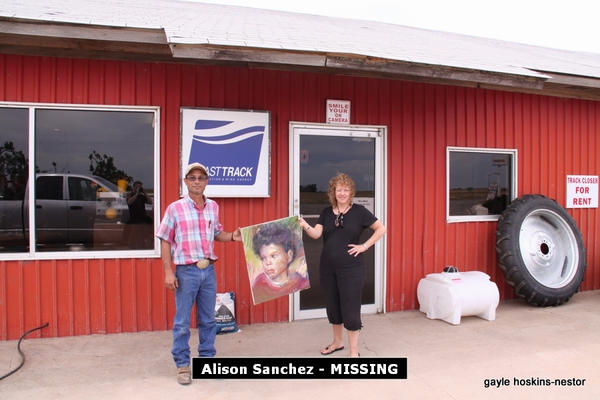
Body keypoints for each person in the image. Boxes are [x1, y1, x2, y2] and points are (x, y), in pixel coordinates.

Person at [156, 162, 241, 385]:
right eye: (192, 178)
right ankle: (183, 364)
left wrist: (232, 236)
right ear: (185, 182)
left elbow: (217, 234)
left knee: (208, 319)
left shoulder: (213, 207)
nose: (196, 181)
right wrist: (168, 271)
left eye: (200, 178)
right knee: (182, 322)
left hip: (208, 270)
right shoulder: (175, 208)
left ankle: (207, 361)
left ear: (206, 182)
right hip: (185, 272)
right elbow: (165, 239)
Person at [299, 172, 386, 358]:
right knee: (333, 307)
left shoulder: (359, 212)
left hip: (352, 269)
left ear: (351, 192)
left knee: (351, 308)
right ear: (333, 192)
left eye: (346, 190)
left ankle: (354, 352)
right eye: (339, 189)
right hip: (328, 268)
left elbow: (381, 229)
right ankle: (337, 343)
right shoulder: (326, 212)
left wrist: (364, 246)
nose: (342, 193)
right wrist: (304, 224)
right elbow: (315, 234)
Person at [250, 222, 309, 304]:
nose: (268, 263)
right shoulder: (259, 285)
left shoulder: (300, 282)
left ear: (289, 256)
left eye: (273, 256)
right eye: (263, 258)